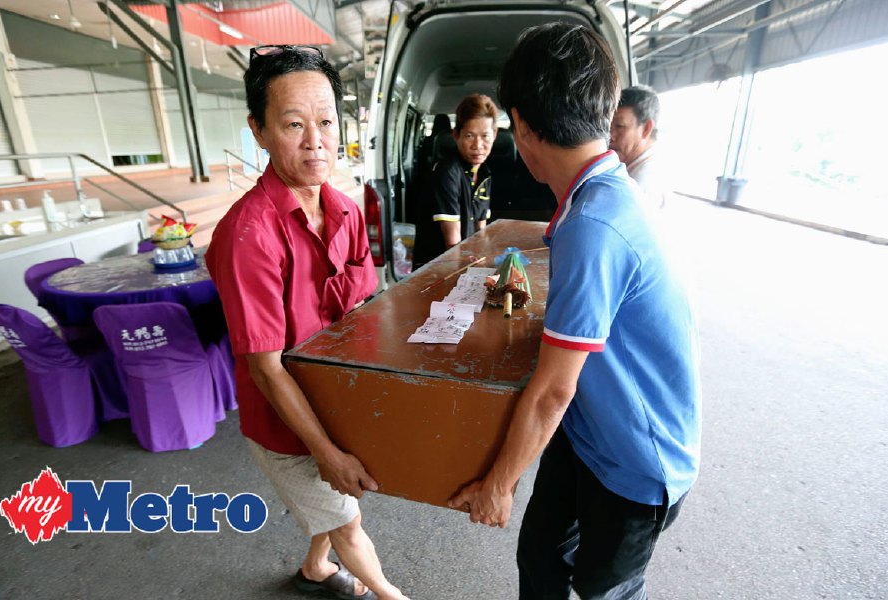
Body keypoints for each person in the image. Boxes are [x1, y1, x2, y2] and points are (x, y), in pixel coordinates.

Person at [449, 23, 701, 600]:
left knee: (602, 589)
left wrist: (498, 485)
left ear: (522, 127)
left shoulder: (595, 223)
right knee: (540, 556)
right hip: (590, 431)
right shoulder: (596, 191)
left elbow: (552, 391)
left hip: (637, 461)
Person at [206, 45, 408, 600]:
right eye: (294, 124)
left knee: (334, 500)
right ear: (259, 129)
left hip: (336, 401)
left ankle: (316, 568)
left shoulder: (345, 208)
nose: (315, 140)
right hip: (288, 425)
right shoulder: (248, 235)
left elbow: (364, 306)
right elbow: (268, 370)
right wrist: (328, 452)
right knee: (347, 519)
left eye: (325, 121)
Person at [413, 94, 498, 268]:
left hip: (461, 260)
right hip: (437, 267)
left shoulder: (484, 173)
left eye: (485, 136)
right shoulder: (447, 172)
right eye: (469, 136)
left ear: (495, 135)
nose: (478, 145)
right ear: (456, 135)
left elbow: (480, 230)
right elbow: (452, 243)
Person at [609, 84, 668, 208]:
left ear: (646, 129)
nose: (610, 136)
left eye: (619, 126)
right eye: (609, 126)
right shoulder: (634, 166)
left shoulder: (644, 183)